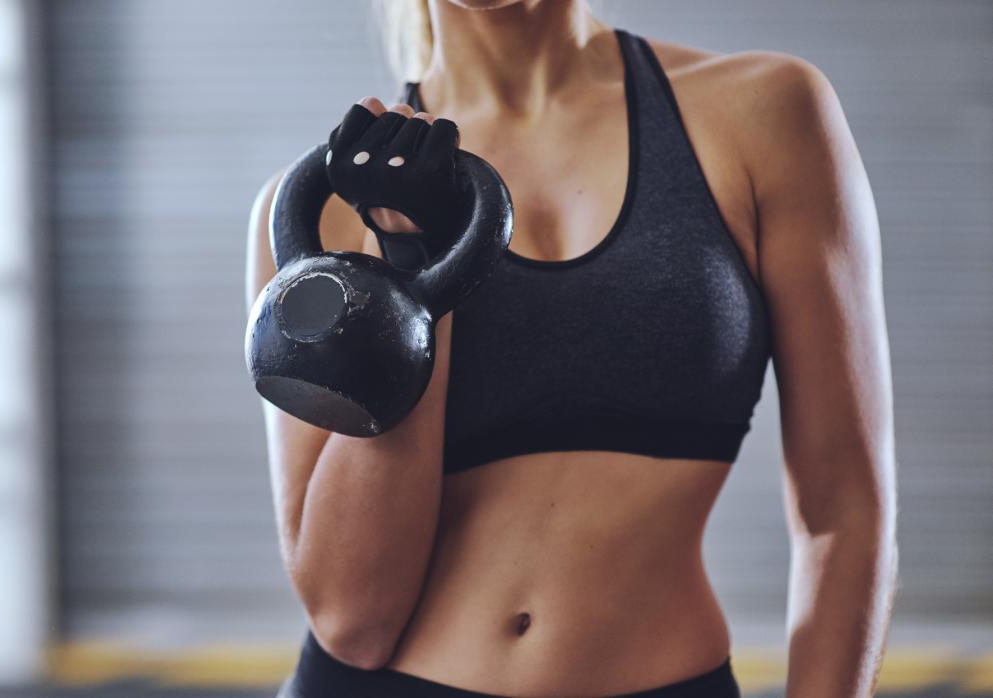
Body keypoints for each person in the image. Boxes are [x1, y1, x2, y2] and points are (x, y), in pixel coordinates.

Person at [244, 1, 899, 696]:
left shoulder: (762, 112)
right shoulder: (322, 207)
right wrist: (413, 270)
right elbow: (352, 620)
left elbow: (843, 512)